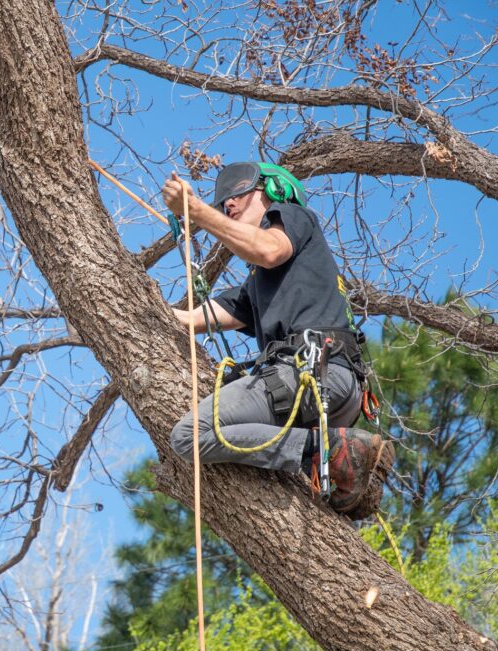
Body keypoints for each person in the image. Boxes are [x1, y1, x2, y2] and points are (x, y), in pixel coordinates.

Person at [163, 161, 393, 519]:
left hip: (314, 373)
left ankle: (325, 447)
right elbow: (193, 319)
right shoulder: (259, 286)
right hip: (325, 386)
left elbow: (268, 250)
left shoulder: (294, 217)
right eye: (224, 202)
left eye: (239, 193)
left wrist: (196, 212)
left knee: (190, 435)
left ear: (272, 192)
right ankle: (331, 461)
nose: (229, 204)